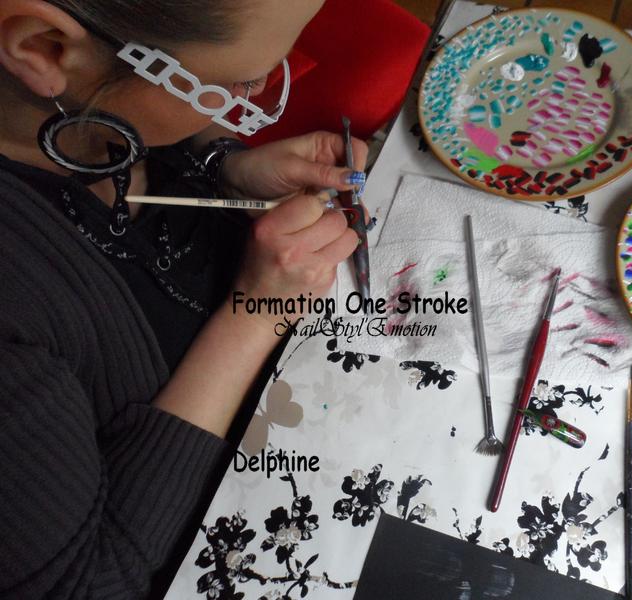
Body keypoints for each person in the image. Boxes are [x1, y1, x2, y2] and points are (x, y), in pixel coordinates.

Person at [0, 1, 368, 598]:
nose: (248, 103)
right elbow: (89, 583)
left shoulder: (79, 104)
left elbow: (137, 113)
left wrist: (224, 167)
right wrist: (258, 314)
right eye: (236, 84)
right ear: (43, 47)